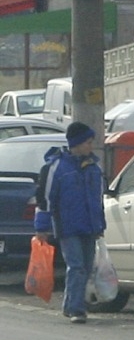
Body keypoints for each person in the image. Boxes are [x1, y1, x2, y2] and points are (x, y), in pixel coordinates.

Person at [34, 122, 107, 324]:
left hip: (90, 227)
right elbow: (45, 198)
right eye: (88, 142)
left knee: (85, 266)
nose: (90, 146)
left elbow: (97, 199)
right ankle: (77, 309)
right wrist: (42, 227)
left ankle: (70, 305)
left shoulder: (93, 167)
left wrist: (100, 225)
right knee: (77, 267)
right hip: (68, 227)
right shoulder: (57, 167)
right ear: (77, 143)